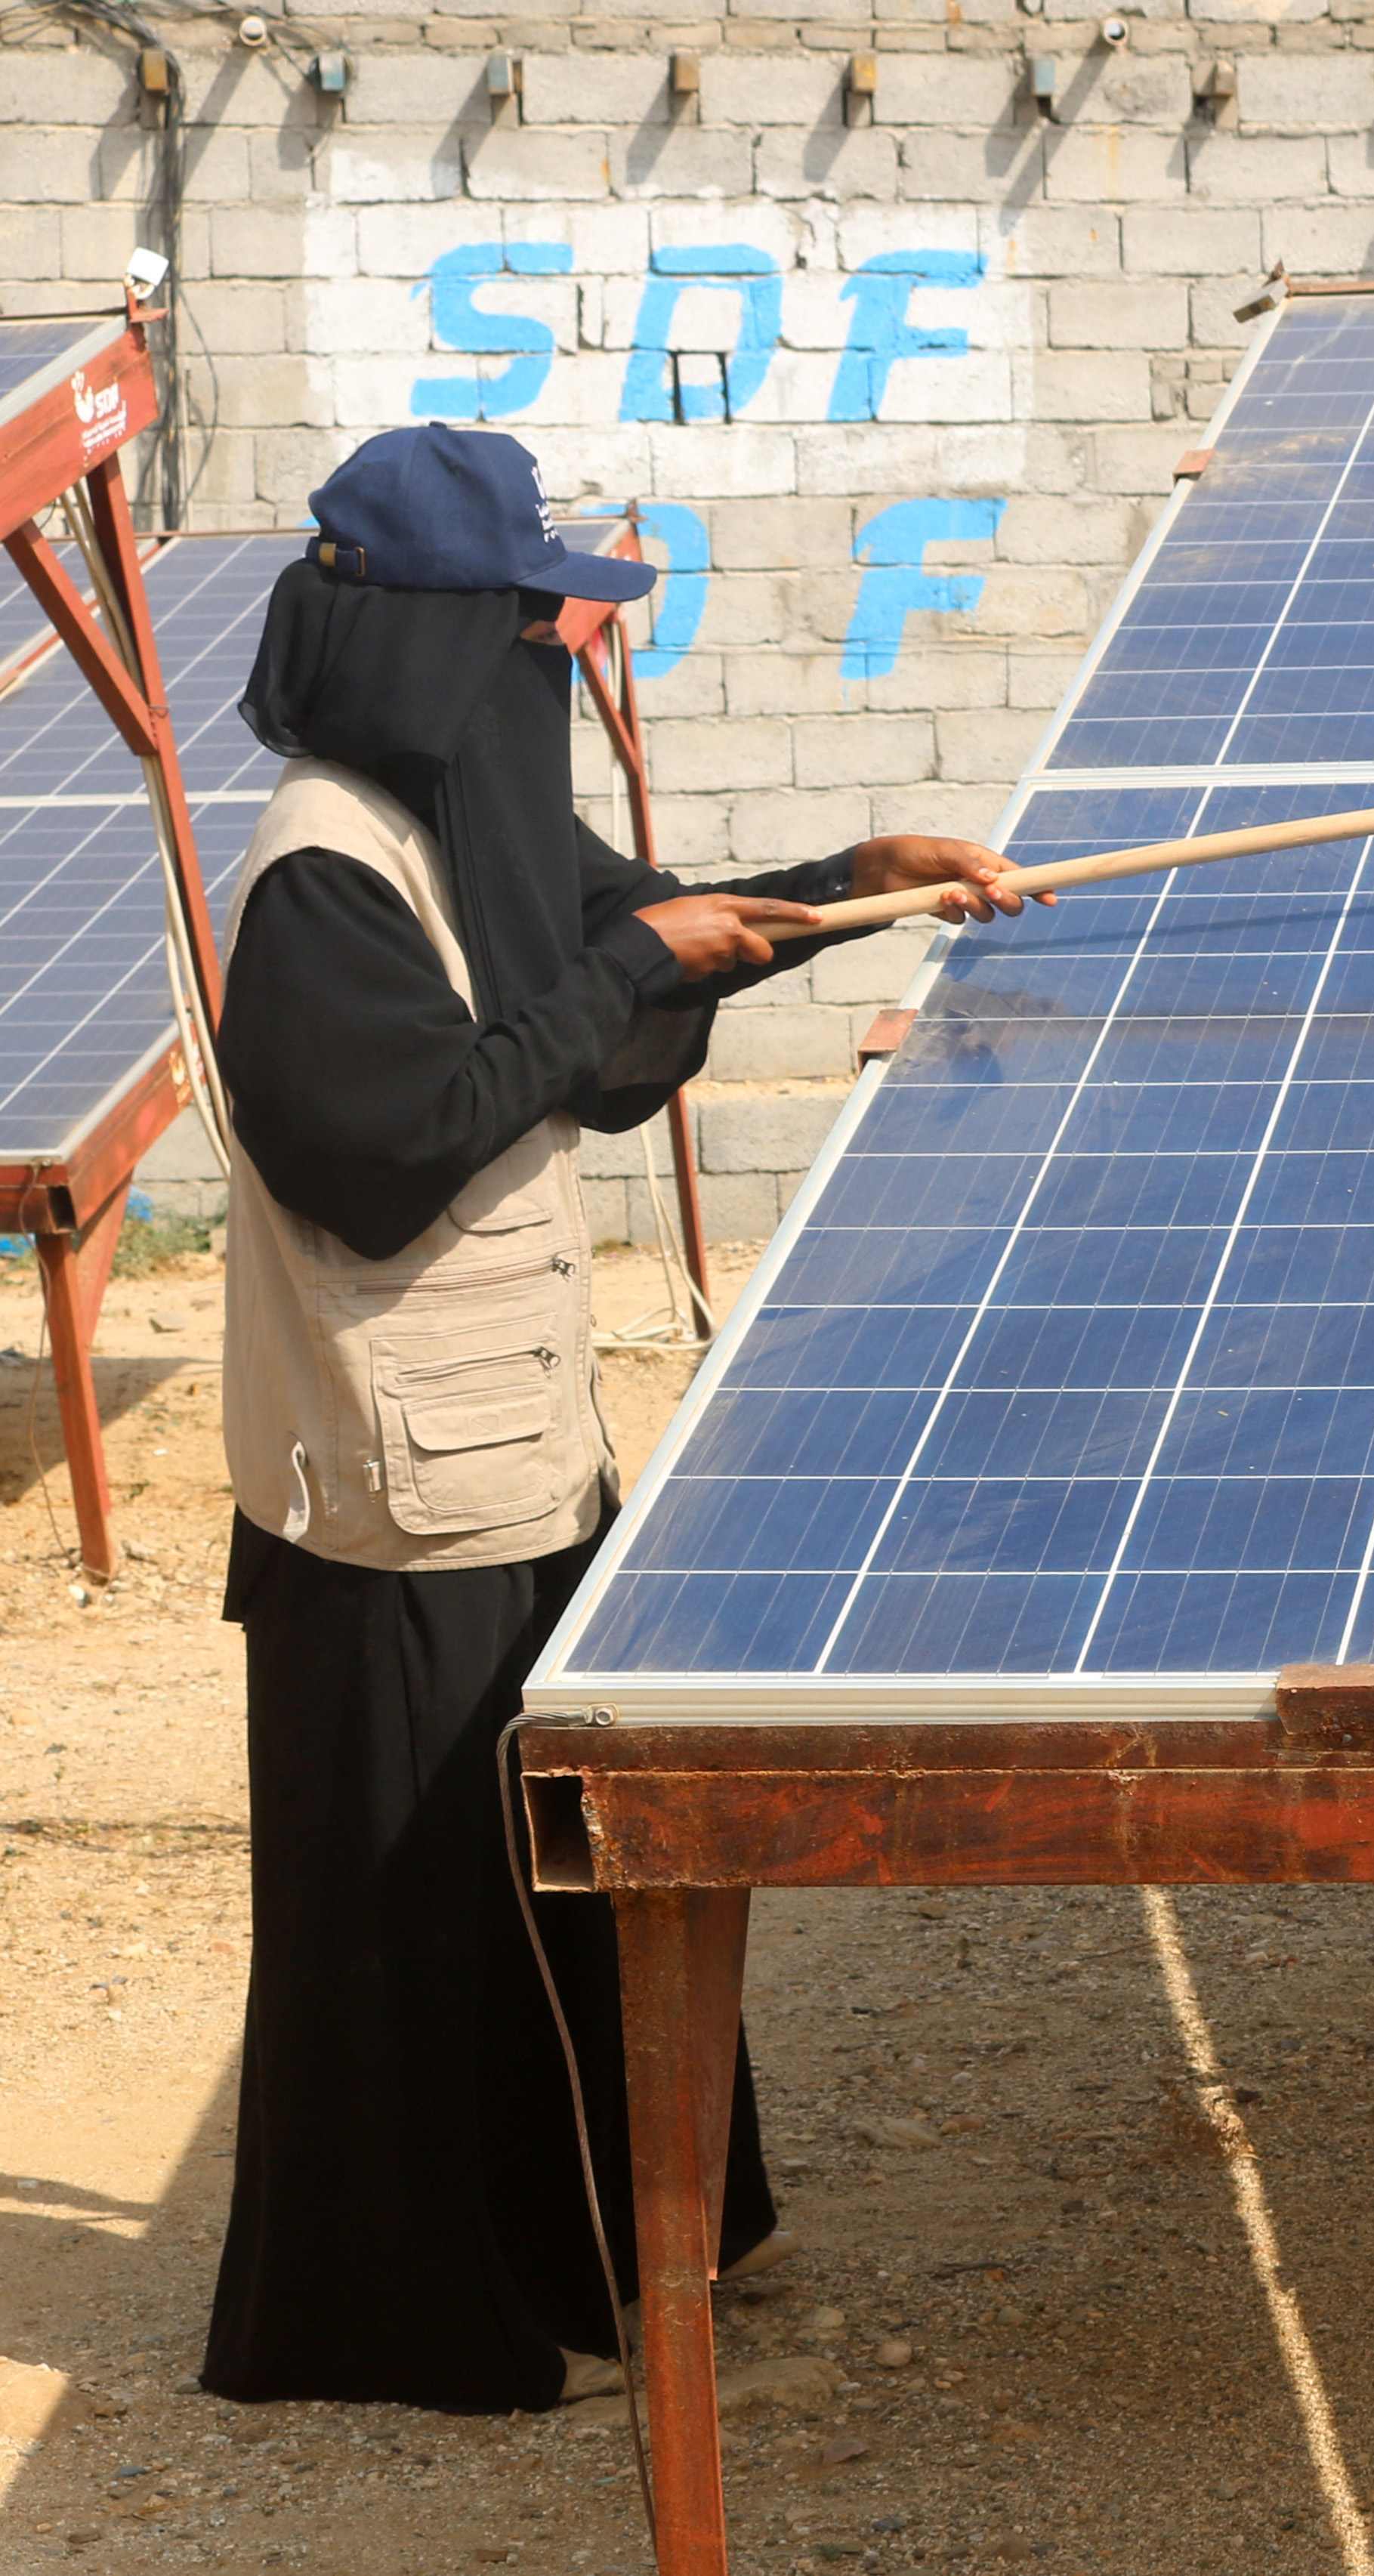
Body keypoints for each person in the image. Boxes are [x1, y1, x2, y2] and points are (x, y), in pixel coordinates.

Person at [198, 425, 1030, 2412]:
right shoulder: (327, 865)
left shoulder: (466, 809)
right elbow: (386, 1139)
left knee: (556, 1880)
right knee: (422, 1908)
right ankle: (414, 2309)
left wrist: (846, 892)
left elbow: (634, 938)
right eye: (531, 625)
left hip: (515, 1443)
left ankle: (608, 2242)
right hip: (395, 1497)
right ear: (430, 640)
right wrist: (623, 977)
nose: (557, 659)